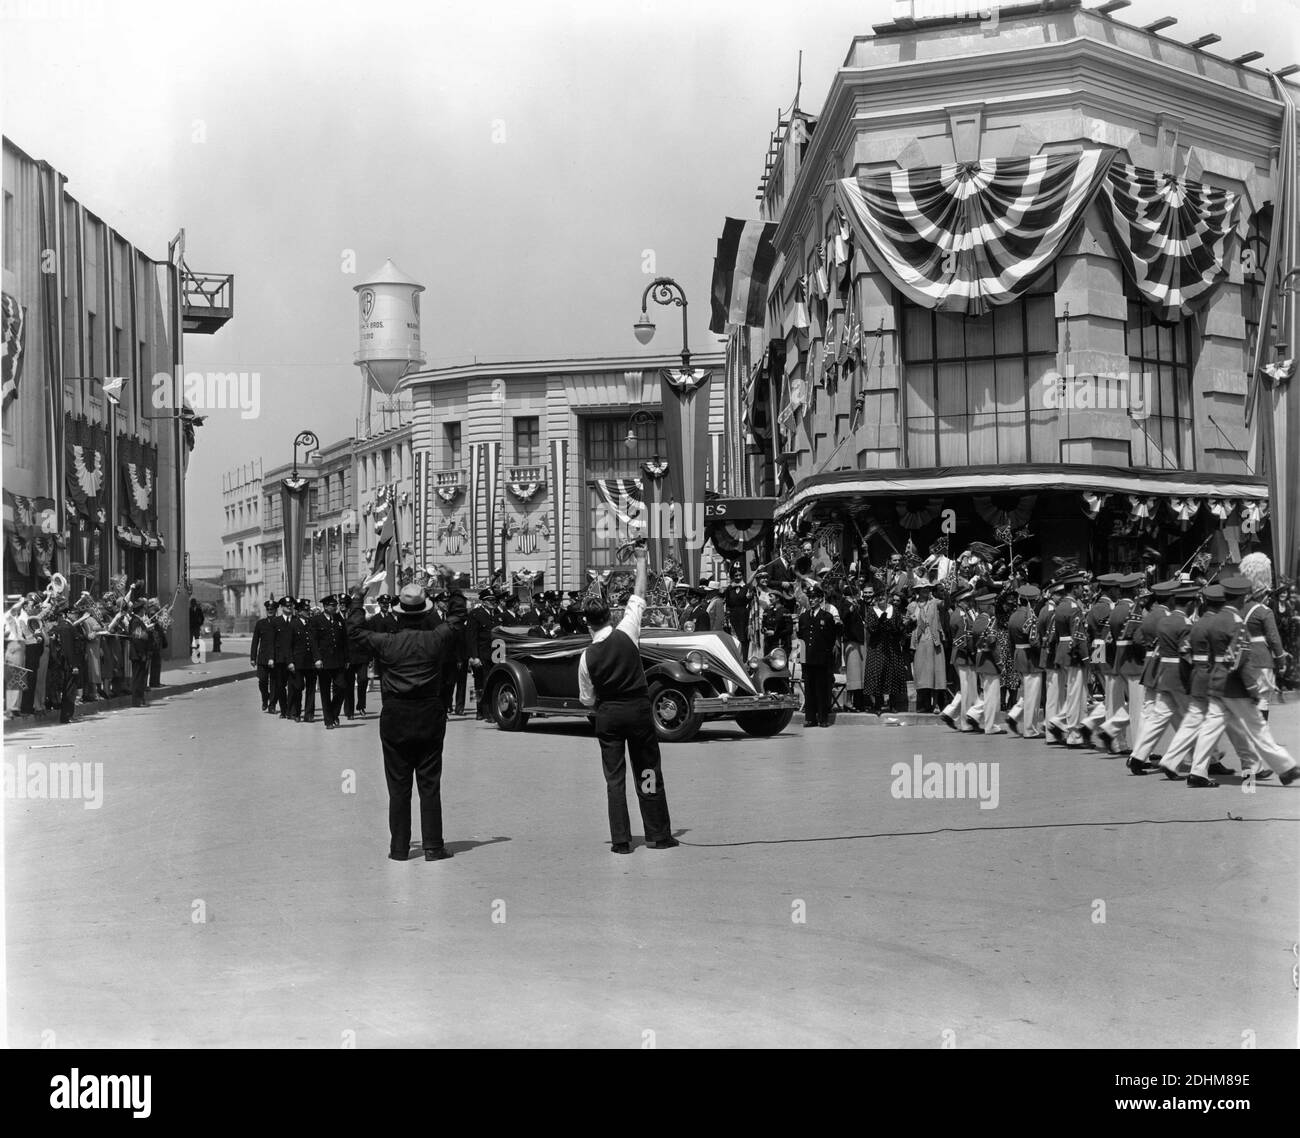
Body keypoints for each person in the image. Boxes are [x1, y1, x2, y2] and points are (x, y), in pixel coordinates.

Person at [345, 581, 460, 861]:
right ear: (425, 612)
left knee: (398, 787)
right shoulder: (435, 638)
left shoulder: (387, 642)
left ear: (399, 613)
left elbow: (354, 631)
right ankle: (433, 846)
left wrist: (358, 599)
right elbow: (457, 619)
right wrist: (455, 588)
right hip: (429, 715)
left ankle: (399, 848)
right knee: (429, 784)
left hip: (396, 716)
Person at [577, 542, 677, 855]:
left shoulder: (586, 656)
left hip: (608, 716)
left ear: (587, 623)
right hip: (637, 712)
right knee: (647, 770)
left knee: (614, 778)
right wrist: (642, 558)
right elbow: (639, 594)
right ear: (610, 614)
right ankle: (657, 834)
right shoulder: (627, 630)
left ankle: (621, 840)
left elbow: (586, 700)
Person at [1187, 575, 1300, 787]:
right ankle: (1285, 768)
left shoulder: (1215, 619)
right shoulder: (1237, 623)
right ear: (1239, 598)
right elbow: (1241, 661)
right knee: (1258, 728)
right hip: (1235, 686)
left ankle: (1197, 771)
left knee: (1210, 729)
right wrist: (1253, 689)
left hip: (1217, 682)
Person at [1045, 571, 1089, 747]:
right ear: (1075, 588)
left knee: (1072, 692)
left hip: (1062, 651)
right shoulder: (1073, 608)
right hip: (1074, 653)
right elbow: (1079, 636)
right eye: (1080, 587)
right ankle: (1070, 731)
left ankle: (1062, 723)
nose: (1082, 590)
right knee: (1075, 694)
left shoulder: (1060, 606)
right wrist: (1087, 658)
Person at [797, 582, 841, 728]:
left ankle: (823, 718)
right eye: (810, 597)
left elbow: (830, 639)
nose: (812, 600)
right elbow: (802, 639)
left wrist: (827, 659)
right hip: (808, 659)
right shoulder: (803, 617)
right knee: (809, 690)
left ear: (820, 599)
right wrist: (802, 659)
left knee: (822, 689)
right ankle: (810, 718)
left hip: (822, 659)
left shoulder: (827, 617)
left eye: (815, 597)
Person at [1006, 584, 1043, 737]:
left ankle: (1015, 714)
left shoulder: (1013, 616)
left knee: (1027, 691)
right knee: (1033, 695)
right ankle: (1030, 729)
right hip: (1030, 657)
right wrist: (1042, 653)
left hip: (1018, 654)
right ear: (1031, 601)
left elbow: (1009, 641)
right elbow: (1034, 641)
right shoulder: (1030, 616)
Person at [940, 585, 978, 731]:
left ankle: (949, 712)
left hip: (963, 654)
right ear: (959, 602)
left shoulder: (963, 613)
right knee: (967, 689)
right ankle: (965, 722)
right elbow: (963, 639)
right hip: (963, 655)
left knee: (966, 688)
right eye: (966, 600)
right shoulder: (959, 616)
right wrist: (973, 653)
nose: (970, 603)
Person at [308, 595, 348, 729]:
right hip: (324, 662)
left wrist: (347, 658)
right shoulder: (316, 620)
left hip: (338, 660)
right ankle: (329, 720)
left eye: (335, 605)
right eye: (332, 605)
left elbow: (344, 640)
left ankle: (333, 712)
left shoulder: (338, 619)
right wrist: (317, 659)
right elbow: (313, 642)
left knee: (342, 687)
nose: (335, 607)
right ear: (325, 606)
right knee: (325, 691)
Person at [467, 588, 500, 721]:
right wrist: (474, 656)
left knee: (490, 683)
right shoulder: (476, 614)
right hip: (481, 655)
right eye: (490, 600)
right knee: (479, 684)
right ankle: (482, 711)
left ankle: (487, 710)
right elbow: (471, 637)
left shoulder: (496, 614)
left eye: (494, 600)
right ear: (483, 602)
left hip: (495, 655)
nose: (493, 602)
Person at [250, 599, 278, 712]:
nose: (270, 611)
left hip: (276, 657)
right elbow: (255, 641)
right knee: (262, 681)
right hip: (262, 658)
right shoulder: (260, 623)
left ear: (276, 610)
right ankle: (265, 698)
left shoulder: (279, 622)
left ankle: (272, 705)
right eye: (268, 609)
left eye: (272, 609)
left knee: (274, 683)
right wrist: (253, 657)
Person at [271, 595, 295, 718]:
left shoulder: (296, 620)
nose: (289, 607)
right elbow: (272, 641)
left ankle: (291, 709)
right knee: (280, 686)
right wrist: (271, 658)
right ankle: (284, 709)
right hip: (280, 659)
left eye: (291, 605)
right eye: (287, 606)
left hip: (294, 659)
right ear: (281, 607)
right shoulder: (276, 622)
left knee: (293, 686)